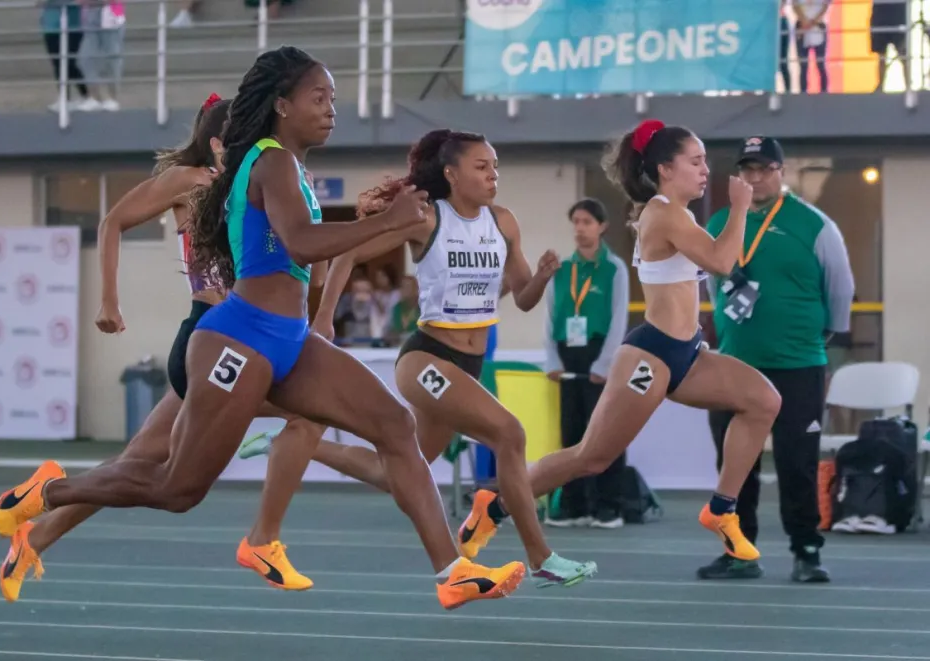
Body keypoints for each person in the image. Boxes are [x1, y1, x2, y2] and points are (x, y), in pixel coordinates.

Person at [0, 47, 525, 612]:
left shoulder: (289, 167)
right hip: (238, 340)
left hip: (288, 339)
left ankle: (452, 571)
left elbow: (303, 253)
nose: (331, 110)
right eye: (318, 99)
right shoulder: (269, 161)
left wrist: (370, 233)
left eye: (334, 100)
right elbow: (299, 243)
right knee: (177, 488)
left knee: (394, 425)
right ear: (280, 105)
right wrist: (388, 223)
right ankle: (44, 493)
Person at [0, 93, 323, 602]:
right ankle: (262, 536)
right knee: (306, 415)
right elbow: (112, 222)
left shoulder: (252, 187)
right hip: (212, 338)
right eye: (242, 140)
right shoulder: (191, 184)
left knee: (137, 464)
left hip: (240, 337)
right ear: (218, 143)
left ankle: (34, 530)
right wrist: (109, 300)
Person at [460, 119, 782, 564]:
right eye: (696, 160)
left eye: (705, 160)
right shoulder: (663, 213)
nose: (706, 169)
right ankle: (493, 505)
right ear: (666, 169)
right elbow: (724, 261)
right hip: (651, 356)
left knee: (763, 401)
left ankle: (722, 509)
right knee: (590, 457)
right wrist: (741, 207)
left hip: (688, 354)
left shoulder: (678, 213)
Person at [292, 128, 598, 587]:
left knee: (394, 471)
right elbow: (347, 253)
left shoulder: (503, 222)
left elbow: (525, 297)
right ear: (451, 174)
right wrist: (325, 320)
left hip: (466, 366)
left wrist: (543, 276)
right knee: (510, 434)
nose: (493, 175)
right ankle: (542, 557)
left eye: (496, 167)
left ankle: (298, 446)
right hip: (426, 359)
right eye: (482, 167)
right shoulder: (427, 219)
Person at [697, 136, 854, 583]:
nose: (756, 177)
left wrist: (812, 338)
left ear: (781, 172)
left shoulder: (814, 224)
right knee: (733, 466)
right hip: (735, 365)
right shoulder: (723, 221)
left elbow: (839, 291)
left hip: (798, 365)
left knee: (796, 460)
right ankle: (738, 552)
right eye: (747, 169)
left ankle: (806, 551)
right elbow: (712, 283)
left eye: (764, 168)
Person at [543, 198, 630, 529]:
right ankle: (574, 504)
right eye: (576, 222)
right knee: (572, 433)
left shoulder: (614, 268)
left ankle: (610, 505)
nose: (580, 229)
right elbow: (551, 317)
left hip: (600, 356)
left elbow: (620, 317)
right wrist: (551, 358)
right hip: (568, 355)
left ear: (602, 226)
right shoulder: (563, 270)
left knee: (606, 432)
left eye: (587, 222)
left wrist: (606, 363)